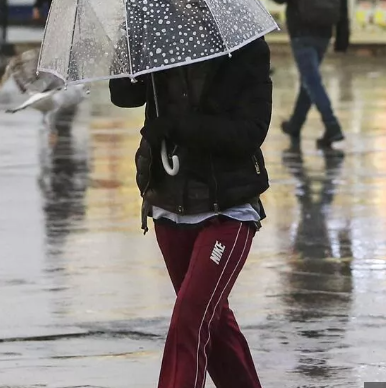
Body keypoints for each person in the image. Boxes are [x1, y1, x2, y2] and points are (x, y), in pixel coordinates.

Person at [109, 36, 271, 388]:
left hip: (228, 208)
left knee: (191, 319)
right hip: (170, 206)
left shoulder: (245, 46)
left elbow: (250, 131)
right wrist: (130, 41)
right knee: (214, 322)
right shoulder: (158, 36)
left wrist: (177, 126)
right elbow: (123, 95)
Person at [255, 0, 349, 147]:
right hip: (324, 32)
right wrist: (343, 33)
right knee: (310, 77)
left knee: (311, 79)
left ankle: (332, 125)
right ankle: (295, 124)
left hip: (302, 31)